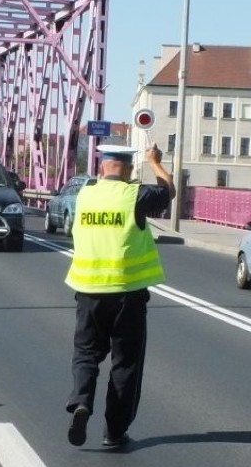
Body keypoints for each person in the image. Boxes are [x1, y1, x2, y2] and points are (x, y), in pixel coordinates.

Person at [64, 143, 176, 448]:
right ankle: (113, 432)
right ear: (128, 169)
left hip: (88, 291)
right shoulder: (134, 195)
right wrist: (155, 162)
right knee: (124, 364)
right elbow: (169, 190)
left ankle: (82, 401)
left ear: (102, 167)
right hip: (127, 293)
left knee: (86, 353)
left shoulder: (84, 194)